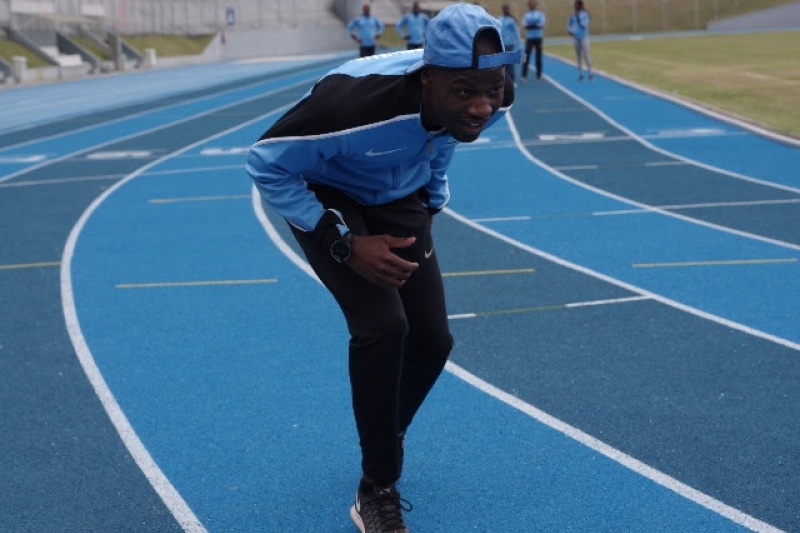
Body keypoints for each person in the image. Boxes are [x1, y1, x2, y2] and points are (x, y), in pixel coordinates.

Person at [246, 4, 519, 532]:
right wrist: (344, 242)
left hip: (398, 193)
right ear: (427, 77)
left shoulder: (493, 96)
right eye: (465, 92)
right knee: (383, 326)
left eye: (492, 89)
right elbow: (264, 162)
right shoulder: (349, 105)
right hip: (328, 195)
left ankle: (383, 432)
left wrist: (432, 207)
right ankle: (377, 487)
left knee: (433, 342)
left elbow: (441, 141)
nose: (483, 106)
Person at [567, 0, 593, 80]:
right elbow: (569, 23)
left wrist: (577, 16)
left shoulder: (585, 14)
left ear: (580, 5)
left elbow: (583, 25)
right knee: (578, 56)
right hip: (576, 37)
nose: (575, 6)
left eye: (576, 5)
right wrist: (570, 30)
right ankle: (581, 73)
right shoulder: (573, 15)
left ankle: (590, 73)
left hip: (584, 37)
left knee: (586, 55)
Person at [521, 0, 545, 81]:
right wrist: (534, 24)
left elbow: (541, 25)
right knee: (525, 56)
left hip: (538, 37)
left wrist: (531, 25)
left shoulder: (540, 14)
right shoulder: (526, 15)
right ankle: (523, 75)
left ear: (535, 5)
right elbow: (524, 25)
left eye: (533, 4)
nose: (532, 5)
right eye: (530, 4)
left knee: (539, 57)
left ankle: (539, 75)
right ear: (529, 5)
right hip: (529, 37)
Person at [497, 4, 522, 83]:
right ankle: (504, 80)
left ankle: (512, 80)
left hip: (509, 43)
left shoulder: (511, 20)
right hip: (501, 43)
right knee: (502, 63)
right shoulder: (499, 19)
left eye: (507, 9)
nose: (505, 10)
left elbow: (516, 32)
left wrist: (519, 44)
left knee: (510, 63)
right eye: (505, 9)